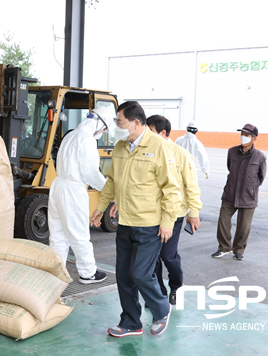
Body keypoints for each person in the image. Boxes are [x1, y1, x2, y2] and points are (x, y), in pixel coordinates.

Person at [90, 101, 181, 337]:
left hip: (150, 224)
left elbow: (172, 188)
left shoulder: (159, 147)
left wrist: (168, 222)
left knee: (140, 274)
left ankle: (162, 309)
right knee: (123, 276)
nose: (117, 126)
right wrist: (102, 206)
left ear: (136, 123)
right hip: (125, 222)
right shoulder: (121, 146)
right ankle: (131, 322)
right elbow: (113, 180)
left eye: (119, 122)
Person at [48, 106, 116, 284]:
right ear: (100, 124)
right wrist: (110, 189)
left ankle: (56, 271)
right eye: (104, 129)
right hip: (72, 189)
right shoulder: (86, 139)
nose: (102, 132)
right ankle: (88, 273)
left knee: (58, 235)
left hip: (57, 186)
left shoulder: (70, 135)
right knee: (79, 234)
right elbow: (90, 173)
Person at [146, 115, 202, 305]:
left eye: (151, 131)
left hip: (174, 214)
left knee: (167, 255)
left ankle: (176, 286)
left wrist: (194, 212)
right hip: (151, 214)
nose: (147, 135)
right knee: (151, 257)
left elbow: (192, 186)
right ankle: (159, 293)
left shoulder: (181, 155)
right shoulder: (148, 152)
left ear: (163, 133)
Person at [212, 124, 266, 261]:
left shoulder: (260, 157)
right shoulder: (232, 152)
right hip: (230, 194)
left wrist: (250, 188)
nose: (243, 137)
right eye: (242, 134)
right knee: (223, 221)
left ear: (254, 139)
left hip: (248, 197)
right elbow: (230, 168)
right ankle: (224, 248)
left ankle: (238, 250)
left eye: (247, 135)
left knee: (244, 227)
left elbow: (261, 177)